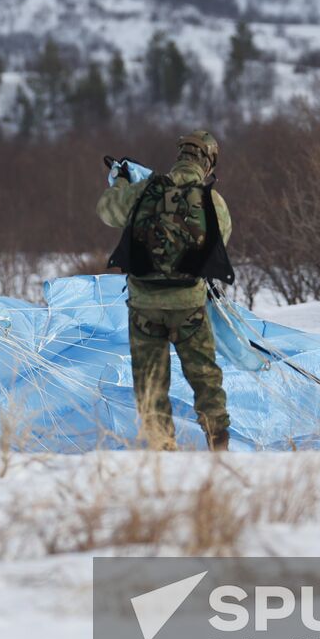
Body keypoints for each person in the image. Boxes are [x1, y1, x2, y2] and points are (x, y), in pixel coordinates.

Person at [96, 130, 235, 450]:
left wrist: (119, 180)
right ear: (209, 163)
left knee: (150, 380)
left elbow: (107, 210)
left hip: (144, 303)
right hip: (189, 303)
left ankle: (161, 447)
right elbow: (219, 242)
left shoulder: (144, 190)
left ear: (180, 156)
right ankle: (218, 441)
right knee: (204, 376)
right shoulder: (213, 200)